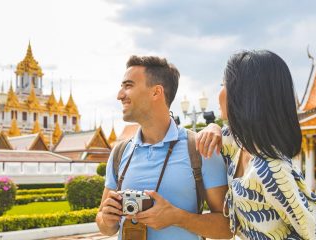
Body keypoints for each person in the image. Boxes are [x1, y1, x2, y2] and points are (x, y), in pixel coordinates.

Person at [196, 50, 316, 239]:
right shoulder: (239, 145)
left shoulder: (270, 169)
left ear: (243, 94)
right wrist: (212, 126)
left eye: (223, 84)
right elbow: (199, 139)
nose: (219, 92)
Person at [96, 55, 231, 239]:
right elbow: (104, 225)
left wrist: (177, 218)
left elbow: (227, 228)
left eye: (128, 86)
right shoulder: (120, 152)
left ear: (156, 92)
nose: (120, 95)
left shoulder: (200, 149)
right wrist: (107, 219)